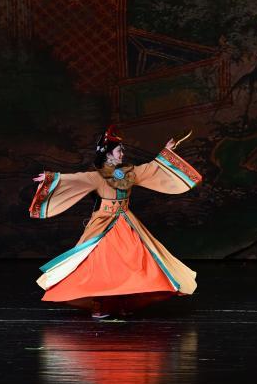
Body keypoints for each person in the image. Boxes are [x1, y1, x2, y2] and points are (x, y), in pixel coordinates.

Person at [29, 125, 202, 319]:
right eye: (119, 150)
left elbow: (151, 168)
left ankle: (123, 301)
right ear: (108, 154)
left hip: (126, 221)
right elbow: (77, 179)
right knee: (98, 263)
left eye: (122, 150)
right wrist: (52, 178)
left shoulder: (129, 173)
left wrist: (167, 150)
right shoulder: (97, 176)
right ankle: (99, 303)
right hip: (104, 223)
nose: (122, 154)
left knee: (132, 261)